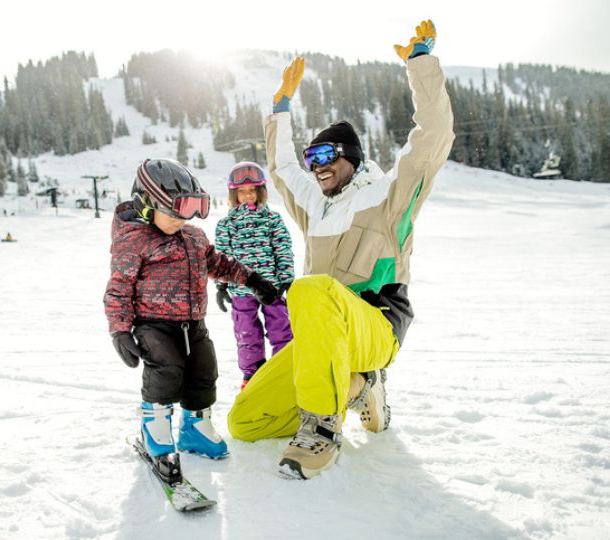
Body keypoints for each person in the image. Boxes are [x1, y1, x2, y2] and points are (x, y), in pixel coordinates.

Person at [228, 20, 454, 479]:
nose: (316, 168)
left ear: (351, 155)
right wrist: (279, 108)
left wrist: (421, 64)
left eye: (326, 155)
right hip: (323, 337)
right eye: (312, 160)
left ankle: (322, 430)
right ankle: (356, 387)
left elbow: (432, 137)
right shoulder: (316, 206)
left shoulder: (389, 196)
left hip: (376, 325)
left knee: (309, 289)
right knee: (244, 420)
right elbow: (281, 167)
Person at [104, 158, 278, 481]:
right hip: (153, 325)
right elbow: (118, 287)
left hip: (193, 323)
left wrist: (252, 280)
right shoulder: (135, 241)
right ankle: (155, 432)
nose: (186, 217)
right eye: (178, 209)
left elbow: (220, 264)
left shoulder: (194, 237)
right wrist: (119, 330)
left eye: (194, 208)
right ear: (146, 205)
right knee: (166, 370)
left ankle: (195, 428)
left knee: (204, 369)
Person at [214, 162, 294, 389]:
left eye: (252, 190)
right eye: (242, 191)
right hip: (241, 289)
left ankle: (283, 367)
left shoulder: (273, 220)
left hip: (272, 287)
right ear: (234, 194)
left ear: (261, 191)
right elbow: (222, 257)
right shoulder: (226, 225)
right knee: (246, 333)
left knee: (281, 327)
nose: (248, 195)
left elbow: (283, 249)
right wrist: (221, 285)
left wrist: (286, 279)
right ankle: (252, 374)